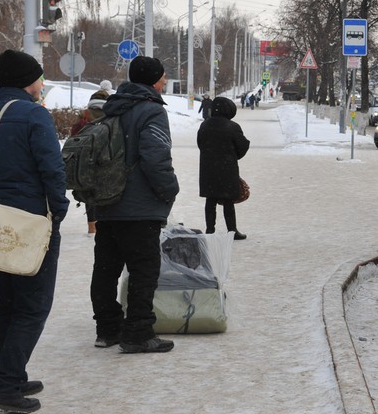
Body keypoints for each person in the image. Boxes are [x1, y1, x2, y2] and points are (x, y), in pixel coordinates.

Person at [0, 50, 68, 414]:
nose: (42, 85)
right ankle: (6, 387)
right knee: (32, 306)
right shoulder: (34, 115)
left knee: (8, 305)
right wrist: (59, 210)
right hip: (32, 222)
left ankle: (10, 373)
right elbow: (52, 169)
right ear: (30, 80)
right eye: (40, 78)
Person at [89, 55, 180, 354]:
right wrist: (169, 190)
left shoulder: (112, 108)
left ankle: (108, 328)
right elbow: (155, 157)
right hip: (139, 207)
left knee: (106, 268)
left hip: (107, 201)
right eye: (163, 77)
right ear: (154, 80)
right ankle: (138, 332)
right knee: (144, 269)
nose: (165, 81)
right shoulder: (151, 111)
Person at [197, 96, 250, 240]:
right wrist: (232, 156)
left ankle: (210, 230)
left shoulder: (205, 125)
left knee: (210, 200)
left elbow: (200, 144)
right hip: (227, 168)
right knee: (228, 201)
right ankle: (232, 231)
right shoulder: (232, 127)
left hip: (208, 168)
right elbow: (242, 146)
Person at [69, 89, 110, 236]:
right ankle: (101, 226)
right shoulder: (110, 116)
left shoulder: (83, 116)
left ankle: (92, 228)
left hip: (84, 164)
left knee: (89, 195)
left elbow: (73, 137)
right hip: (104, 162)